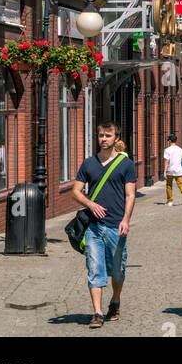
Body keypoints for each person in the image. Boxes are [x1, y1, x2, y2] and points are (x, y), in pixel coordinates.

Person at [72, 120, 137, 328]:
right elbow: (76, 191)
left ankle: (115, 301)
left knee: (117, 271)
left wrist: (126, 220)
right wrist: (90, 204)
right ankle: (98, 313)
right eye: (101, 135)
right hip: (93, 227)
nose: (104, 139)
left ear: (116, 138)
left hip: (116, 226)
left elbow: (130, 194)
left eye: (108, 136)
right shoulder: (89, 163)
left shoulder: (126, 165)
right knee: (95, 268)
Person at [163, 133, 182, 205]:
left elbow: (166, 161)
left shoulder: (167, 150)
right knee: (181, 184)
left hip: (170, 170)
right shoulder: (179, 149)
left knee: (169, 185)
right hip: (178, 170)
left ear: (170, 141)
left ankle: (170, 201)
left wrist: (165, 171)